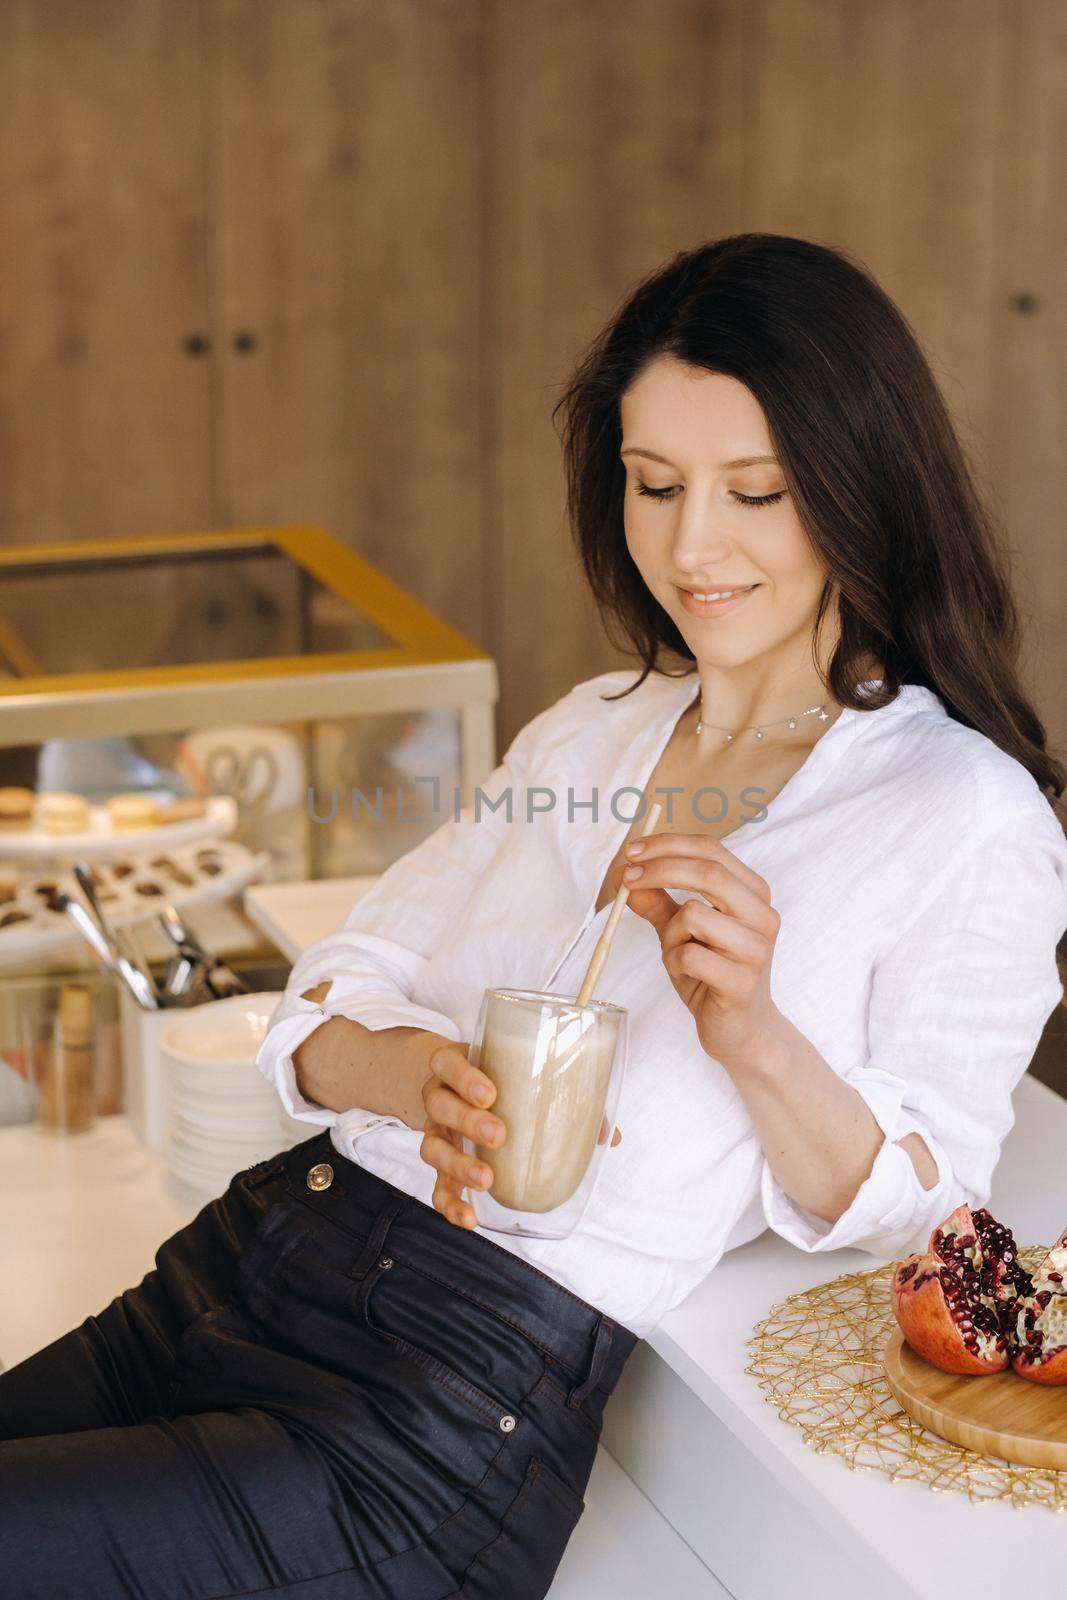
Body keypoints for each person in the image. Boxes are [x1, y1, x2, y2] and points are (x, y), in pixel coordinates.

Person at [3, 232, 1066, 1599]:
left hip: (427, 1420)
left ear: (862, 490)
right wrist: (410, 1076)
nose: (694, 546)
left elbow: (933, 1210)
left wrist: (754, 1033)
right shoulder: (592, 729)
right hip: (244, 1263)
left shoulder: (964, 815)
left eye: (756, 492)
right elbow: (342, 980)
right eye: (654, 484)